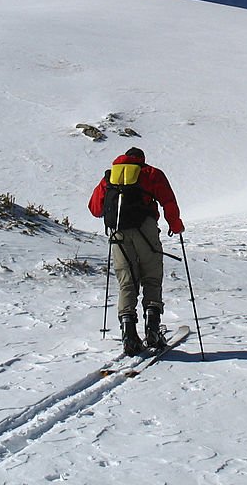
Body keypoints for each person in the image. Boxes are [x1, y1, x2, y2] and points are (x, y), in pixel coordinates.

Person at [88, 147, 185, 355]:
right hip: (146, 230)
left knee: (126, 281)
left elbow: (95, 209)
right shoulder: (150, 173)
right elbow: (168, 201)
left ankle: (128, 333)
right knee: (151, 276)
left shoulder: (109, 177)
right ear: (141, 159)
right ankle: (152, 327)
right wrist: (175, 225)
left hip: (118, 233)